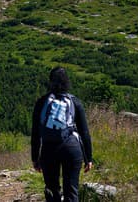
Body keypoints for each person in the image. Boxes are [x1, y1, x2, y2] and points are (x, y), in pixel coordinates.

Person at [31, 67, 93, 202]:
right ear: (67, 82)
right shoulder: (75, 102)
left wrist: (35, 158)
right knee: (71, 191)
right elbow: (84, 133)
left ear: (50, 82)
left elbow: (35, 134)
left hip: (49, 149)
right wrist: (88, 158)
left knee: (52, 190)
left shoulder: (41, 102)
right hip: (71, 148)